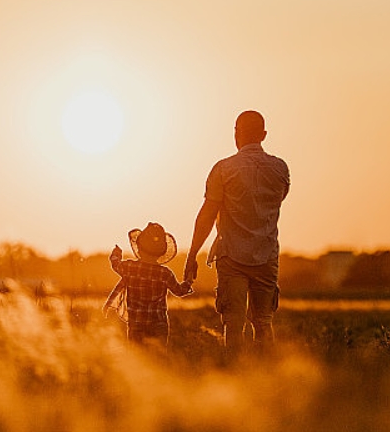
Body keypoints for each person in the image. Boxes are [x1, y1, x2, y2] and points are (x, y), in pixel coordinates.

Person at [183, 110, 290, 359]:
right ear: (263, 135)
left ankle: (235, 373)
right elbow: (279, 200)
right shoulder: (280, 168)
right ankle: (265, 376)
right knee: (263, 321)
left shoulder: (224, 169)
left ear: (236, 133)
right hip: (267, 254)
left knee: (233, 322)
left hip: (231, 256)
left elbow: (207, 214)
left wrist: (192, 255)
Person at [103, 222, 193, 353]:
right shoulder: (165, 273)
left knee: (139, 356)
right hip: (159, 325)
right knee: (159, 358)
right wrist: (189, 282)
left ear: (139, 247)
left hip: (136, 325)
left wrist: (116, 254)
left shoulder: (130, 268)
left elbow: (115, 264)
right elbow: (179, 291)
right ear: (161, 252)